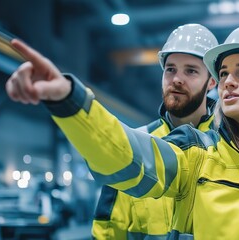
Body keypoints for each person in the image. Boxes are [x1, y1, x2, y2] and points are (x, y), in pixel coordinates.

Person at [6, 25, 239, 239]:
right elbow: (125, 157)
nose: (229, 80)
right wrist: (70, 100)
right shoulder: (196, 154)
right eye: (226, 72)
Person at [91, 23, 218, 239]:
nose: (177, 79)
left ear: (212, 82)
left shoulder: (231, 147)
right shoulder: (136, 146)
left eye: (191, 70)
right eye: (171, 69)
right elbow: (108, 229)